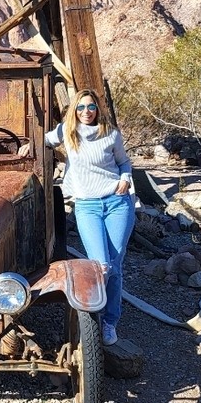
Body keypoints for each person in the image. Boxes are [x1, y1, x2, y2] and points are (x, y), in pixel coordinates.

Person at [44, 89, 135, 346]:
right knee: (100, 265)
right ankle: (91, 319)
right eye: (81, 107)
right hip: (87, 207)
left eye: (91, 107)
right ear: (74, 110)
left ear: (97, 109)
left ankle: (109, 321)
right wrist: (27, 144)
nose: (86, 112)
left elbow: (124, 163)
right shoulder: (66, 132)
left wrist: (125, 179)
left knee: (114, 266)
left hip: (117, 203)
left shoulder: (110, 134)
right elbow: (43, 140)